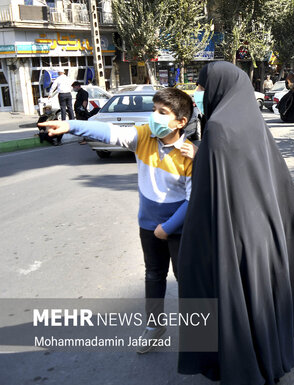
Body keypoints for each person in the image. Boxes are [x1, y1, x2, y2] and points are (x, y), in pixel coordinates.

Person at [176, 61, 294, 385]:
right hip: (266, 234)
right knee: (260, 302)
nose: (203, 94)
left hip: (233, 235)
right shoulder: (254, 125)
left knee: (233, 303)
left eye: (206, 88)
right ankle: (270, 372)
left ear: (221, 88)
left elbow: (211, 193)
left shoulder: (219, 128)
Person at [39, 88, 195, 354]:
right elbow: (108, 132)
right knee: (154, 275)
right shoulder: (143, 136)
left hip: (179, 230)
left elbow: (192, 201)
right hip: (148, 225)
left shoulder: (190, 153)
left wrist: (167, 228)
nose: (153, 117)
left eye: (161, 112)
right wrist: (70, 125)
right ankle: (154, 326)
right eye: (154, 110)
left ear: (180, 121)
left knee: (187, 280)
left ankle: (197, 337)